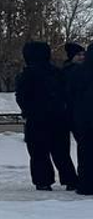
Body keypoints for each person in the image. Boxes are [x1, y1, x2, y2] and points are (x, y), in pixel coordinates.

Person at [16, 41, 77, 191]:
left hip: (37, 119)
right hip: (59, 118)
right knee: (62, 152)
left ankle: (43, 181)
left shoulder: (26, 74)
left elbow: (22, 97)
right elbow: (66, 94)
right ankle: (70, 179)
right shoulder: (57, 72)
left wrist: (28, 111)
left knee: (38, 153)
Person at [65, 42, 93, 195]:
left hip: (82, 119)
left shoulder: (77, 72)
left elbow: (69, 94)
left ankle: (86, 184)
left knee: (85, 152)